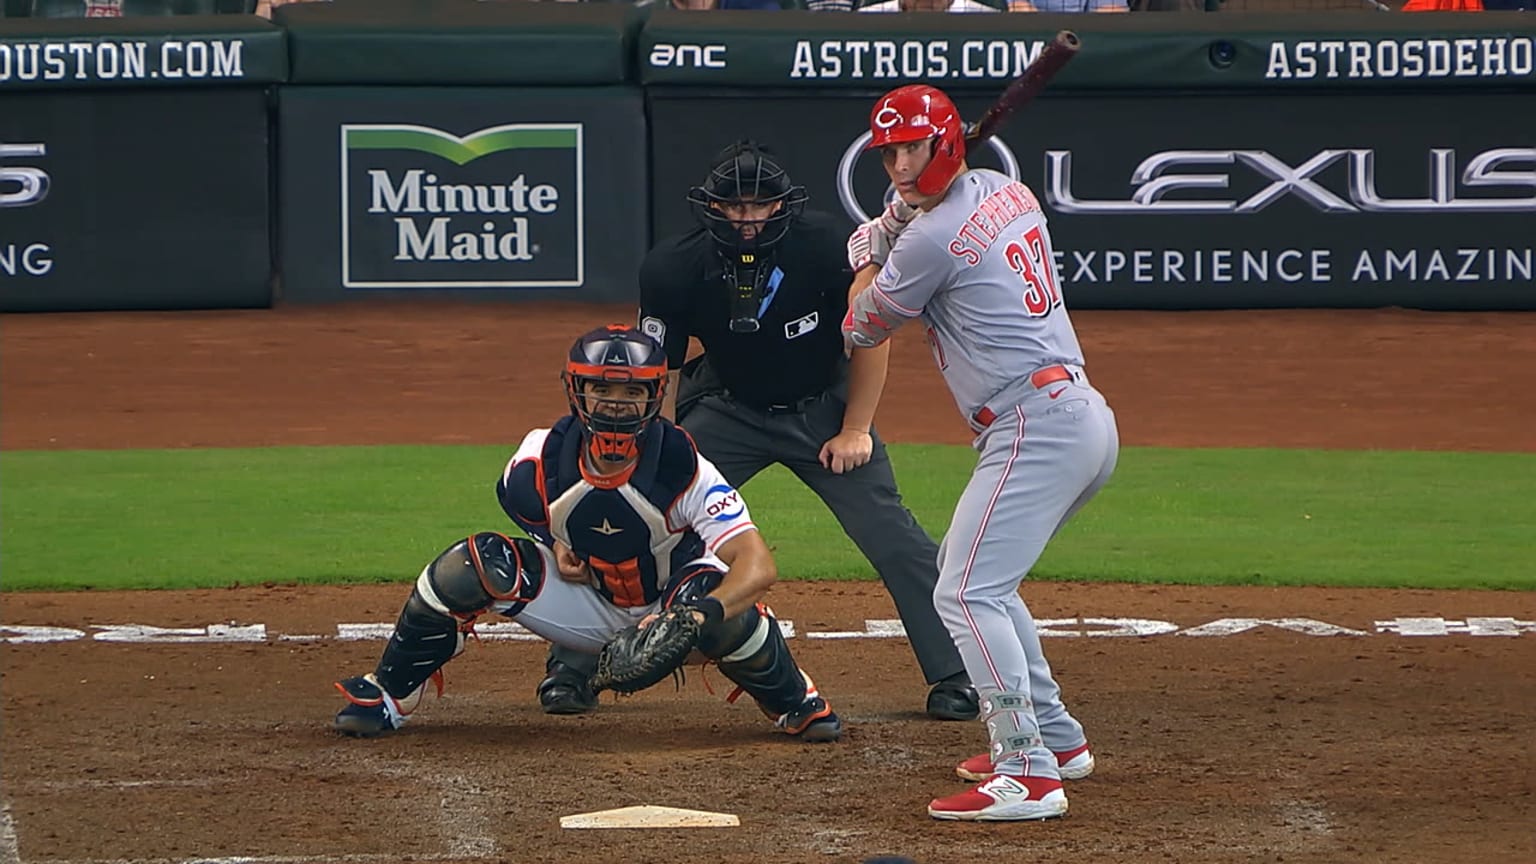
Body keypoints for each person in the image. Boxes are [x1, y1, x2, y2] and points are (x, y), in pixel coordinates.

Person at [536, 141, 980, 723]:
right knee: (638, 520)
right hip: (726, 408)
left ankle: (956, 673)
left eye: (760, 205)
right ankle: (572, 667)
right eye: (734, 206)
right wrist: (651, 467)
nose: (747, 219)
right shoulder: (672, 266)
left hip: (824, 408)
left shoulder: (826, 248)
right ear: (712, 207)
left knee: (892, 535)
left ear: (782, 206)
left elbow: (872, 335)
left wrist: (856, 429)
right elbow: (653, 375)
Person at [332, 325, 842, 743]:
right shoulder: (540, 458)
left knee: (725, 602)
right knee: (472, 564)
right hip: (586, 602)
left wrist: (693, 617)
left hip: (673, 607)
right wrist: (556, 542)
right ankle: (391, 693)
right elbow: (526, 510)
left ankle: (793, 700)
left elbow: (757, 563)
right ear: (579, 391)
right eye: (603, 389)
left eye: (631, 391)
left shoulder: (682, 467)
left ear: (653, 395)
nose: (616, 404)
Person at [842, 84, 1118, 821]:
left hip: (1033, 424)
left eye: (912, 148)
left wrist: (873, 250)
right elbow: (936, 223)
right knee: (987, 586)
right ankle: (1055, 740)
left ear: (945, 145)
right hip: (1080, 417)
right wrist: (901, 220)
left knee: (963, 592)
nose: (900, 164)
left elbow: (862, 326)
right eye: (890, 153)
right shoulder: (1003, 187)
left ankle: (1026, 772)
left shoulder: (930, 240)